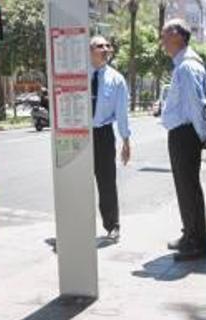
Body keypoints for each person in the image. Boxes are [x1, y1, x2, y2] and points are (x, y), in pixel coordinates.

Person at [159, 18, 206, 261]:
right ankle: (189, 233)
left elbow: (195, 105)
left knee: (189, 188)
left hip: (186, 134)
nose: (162, 41)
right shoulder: (183, 64)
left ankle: (198, 242)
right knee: (184, 188)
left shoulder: (187, 67)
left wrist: (203, 135)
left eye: (165, 36)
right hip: (182, 133)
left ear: (179, 36)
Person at [89, 35, 131, 241]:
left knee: (107, 182)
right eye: (99, 46)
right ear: (90, 51)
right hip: (81, 135)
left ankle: (112, 225)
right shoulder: (80, 76)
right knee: (78, 181)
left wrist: (126, 140)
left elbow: (122, 113)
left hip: (103, 135)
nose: (105, 49)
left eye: (107, 46)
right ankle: (77, 223)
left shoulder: (116, 79)